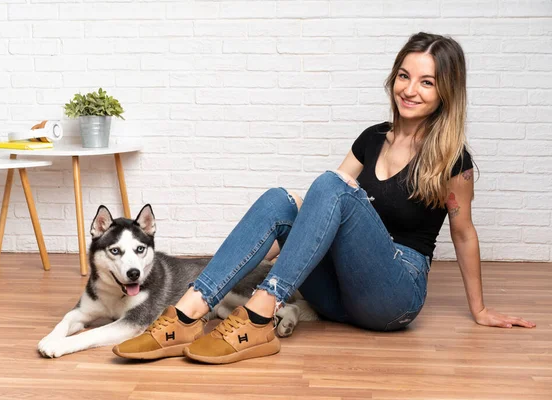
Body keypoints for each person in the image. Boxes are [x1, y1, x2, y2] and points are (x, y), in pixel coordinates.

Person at [112, 32, 536, 364]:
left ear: (446, 91)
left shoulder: (451, 159)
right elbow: (324, 212)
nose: (410, 89)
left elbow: (463, 233)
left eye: (427, 82)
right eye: (405, 76)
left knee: (332, 184)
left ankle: (258, 317)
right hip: (338, 297)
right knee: (281, 200)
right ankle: (187, 314)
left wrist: (479, 310)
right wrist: (285, 231)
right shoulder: (372, 139)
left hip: (394, 295)